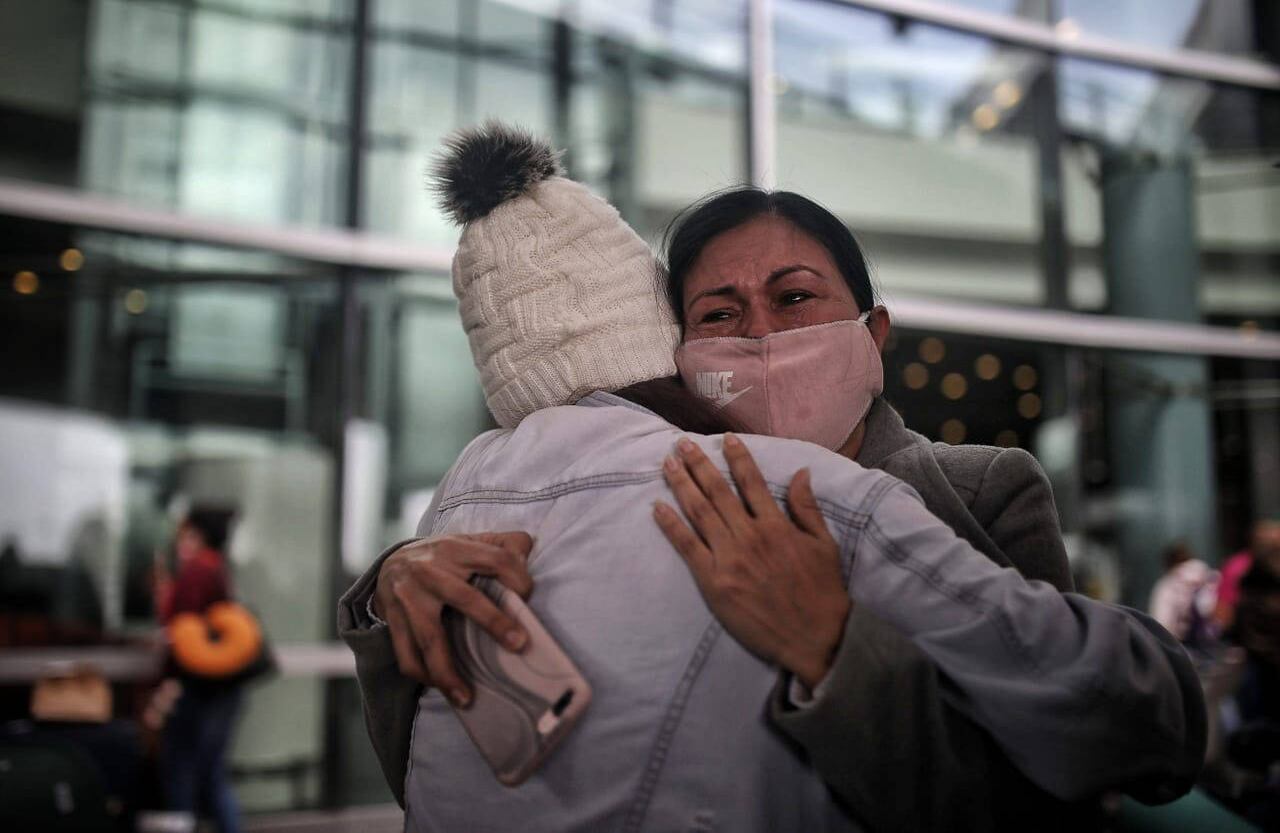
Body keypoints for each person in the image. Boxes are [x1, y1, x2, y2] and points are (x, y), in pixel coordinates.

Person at [339, 124, 1204, 831]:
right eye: (720, 313)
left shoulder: (978, 489)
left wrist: (835, 652)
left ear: (876, 332)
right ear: (678, 350)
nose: (759, 335)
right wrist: (400, 594)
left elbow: (1055, 786)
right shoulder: (656, 506)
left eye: (795, 299)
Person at [154, 507, 243, 833]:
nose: (181, 543)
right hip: (220, 689)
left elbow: (182, 632)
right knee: (210, 774)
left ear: (198, 535)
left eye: (186, 535)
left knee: (183, 773)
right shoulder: (218, 568)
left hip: (199, 689)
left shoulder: (197, 570)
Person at [1149, 541, 1219, 647]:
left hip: (1181, 645)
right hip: (1214, 643)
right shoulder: (1211, 576)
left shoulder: (1167, 585)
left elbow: (1161, 621)